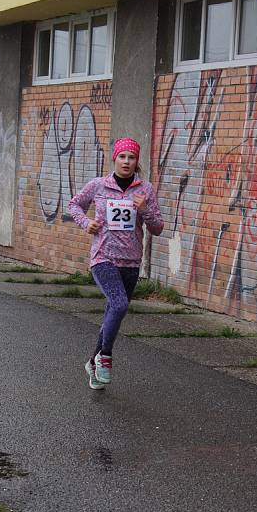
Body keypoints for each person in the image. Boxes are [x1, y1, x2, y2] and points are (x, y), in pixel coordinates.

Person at [68, 137, 164, 389]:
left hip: (131, 261)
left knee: (114, 311)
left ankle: (92, 362)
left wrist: (145, 210)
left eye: (131, 157)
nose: (126, 162)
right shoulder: (99, 185)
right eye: (122, 157)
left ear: (136, 162)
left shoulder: (145, 190)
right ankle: (106, 357)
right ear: (115, 158)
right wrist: (86, 223)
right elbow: (74, 205)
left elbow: (157, 228)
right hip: (103, 258)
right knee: (119, 304)